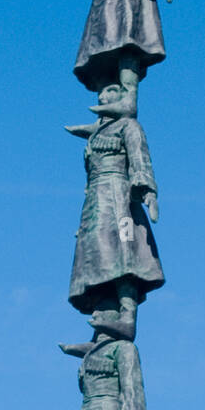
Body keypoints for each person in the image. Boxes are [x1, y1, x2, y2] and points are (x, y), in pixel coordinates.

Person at [66, 82, 164, 331]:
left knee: (124, 257)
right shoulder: (97, 135)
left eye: (111, 90)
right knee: (99, 258)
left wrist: (148, 192)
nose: (102, 95)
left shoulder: (129, 126)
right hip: (95, 201)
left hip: (120, 198)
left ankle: (128, 316)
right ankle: (105, 313)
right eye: (102, 91)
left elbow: (139, 159)